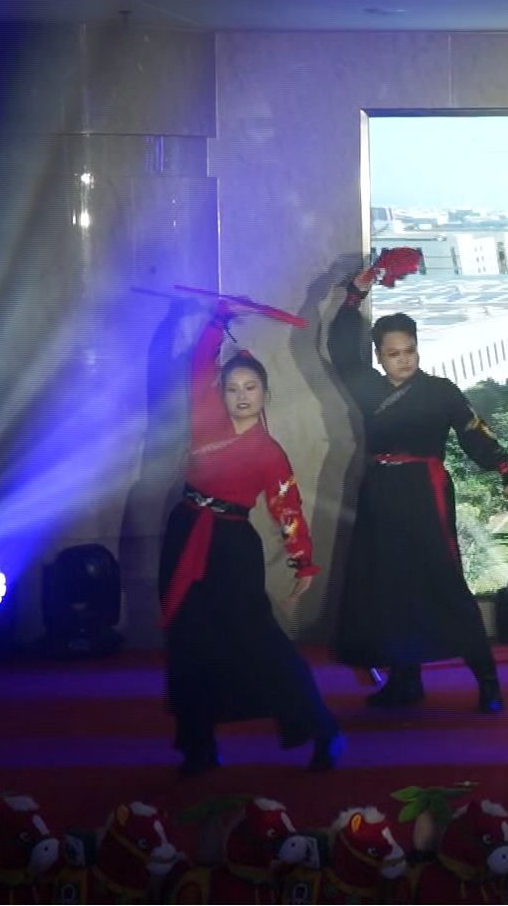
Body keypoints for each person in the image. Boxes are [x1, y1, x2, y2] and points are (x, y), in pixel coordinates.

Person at [328, 265, 508, 712]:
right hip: (379, 494)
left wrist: (507, 470)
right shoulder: (366, 387)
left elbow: (475, 433)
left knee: (443, 581)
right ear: (379, 356)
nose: (404, 360)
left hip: (425, 493)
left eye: (410, 351)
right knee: (387, 586)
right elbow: (340, 349)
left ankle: (488, 681)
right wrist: (354, 295)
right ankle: (406, 680)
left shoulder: (441, 391)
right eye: (393, 353)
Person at [159, 303, 340, 774]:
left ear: (264, 393)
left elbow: (287, 508)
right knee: (189, 641)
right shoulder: (205, 417)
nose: (241, 396)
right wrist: (217, 321)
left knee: (260, 640)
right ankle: (198, 748)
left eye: (250, 387)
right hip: (185, 534)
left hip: (232, 548)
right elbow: (200, 366)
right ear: (220, 393)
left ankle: (320, 729)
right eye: (232, 388)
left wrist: (303, 561)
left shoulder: (269, 451)